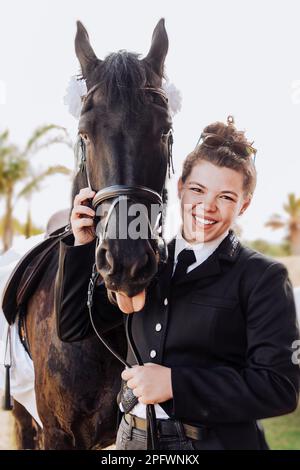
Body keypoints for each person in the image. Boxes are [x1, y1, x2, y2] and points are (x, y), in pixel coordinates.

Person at [54, 117, 300, 450]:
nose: (207, 206)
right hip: (132, 442)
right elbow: (74, 326)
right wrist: (81, 247)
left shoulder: (262, 277)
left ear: (244, 204)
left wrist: (175, 384)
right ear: (181, 186)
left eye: (226, 197)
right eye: (197, 189)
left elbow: (279, 388)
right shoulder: (145, 263)